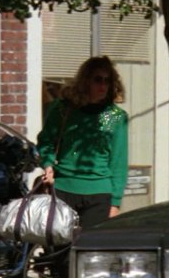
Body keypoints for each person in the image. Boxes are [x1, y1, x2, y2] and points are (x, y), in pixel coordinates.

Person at [39, 56, 128, 227]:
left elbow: (118, 162)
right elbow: (46, 140)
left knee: (89, 249)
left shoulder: (116, 117)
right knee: (59, 248)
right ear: (85, 81)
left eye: (107, 81)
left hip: (99, 193)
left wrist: (115, 202)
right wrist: (48, 164)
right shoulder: (62, 109)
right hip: (63, 188)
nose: (103, 85)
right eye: (97, 80)